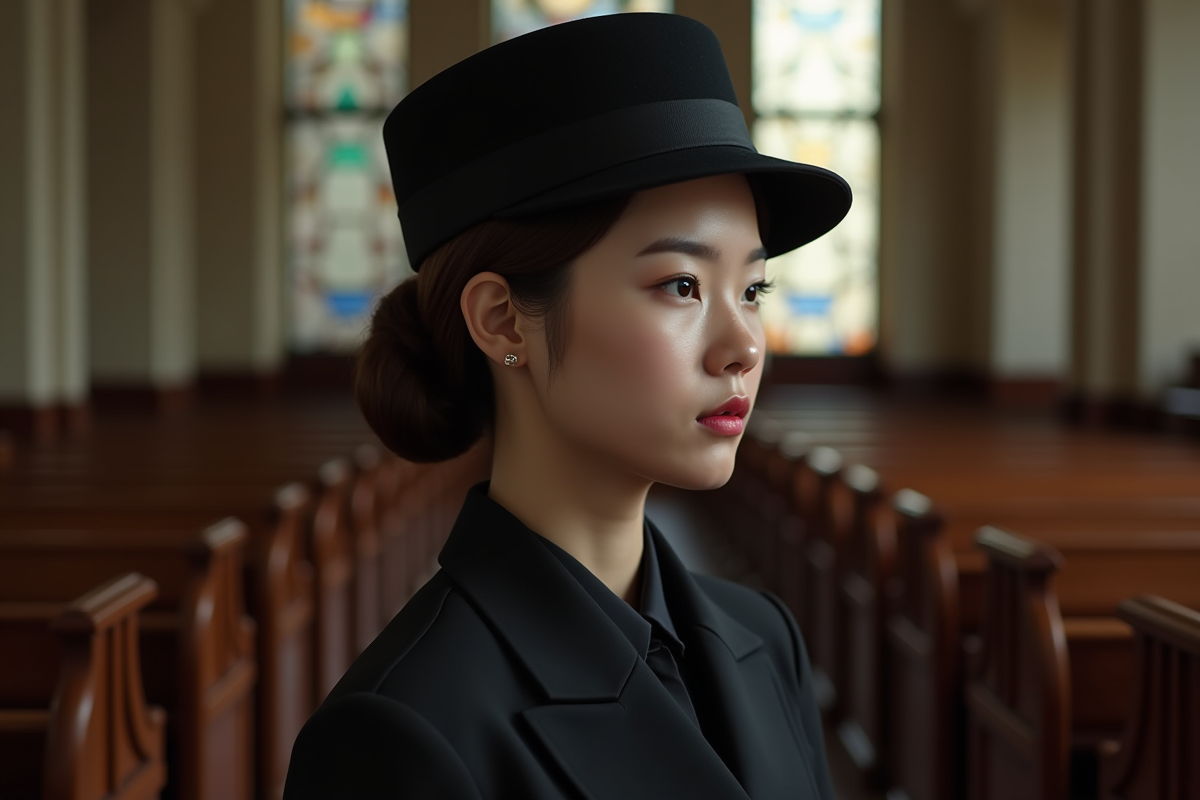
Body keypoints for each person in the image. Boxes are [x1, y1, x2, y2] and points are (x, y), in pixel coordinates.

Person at [283, 12, 850, 800]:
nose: (744, 346)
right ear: (502, 320)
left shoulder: (766, 639)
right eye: (681, 285)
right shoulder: (400, 733)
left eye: (753, 290)